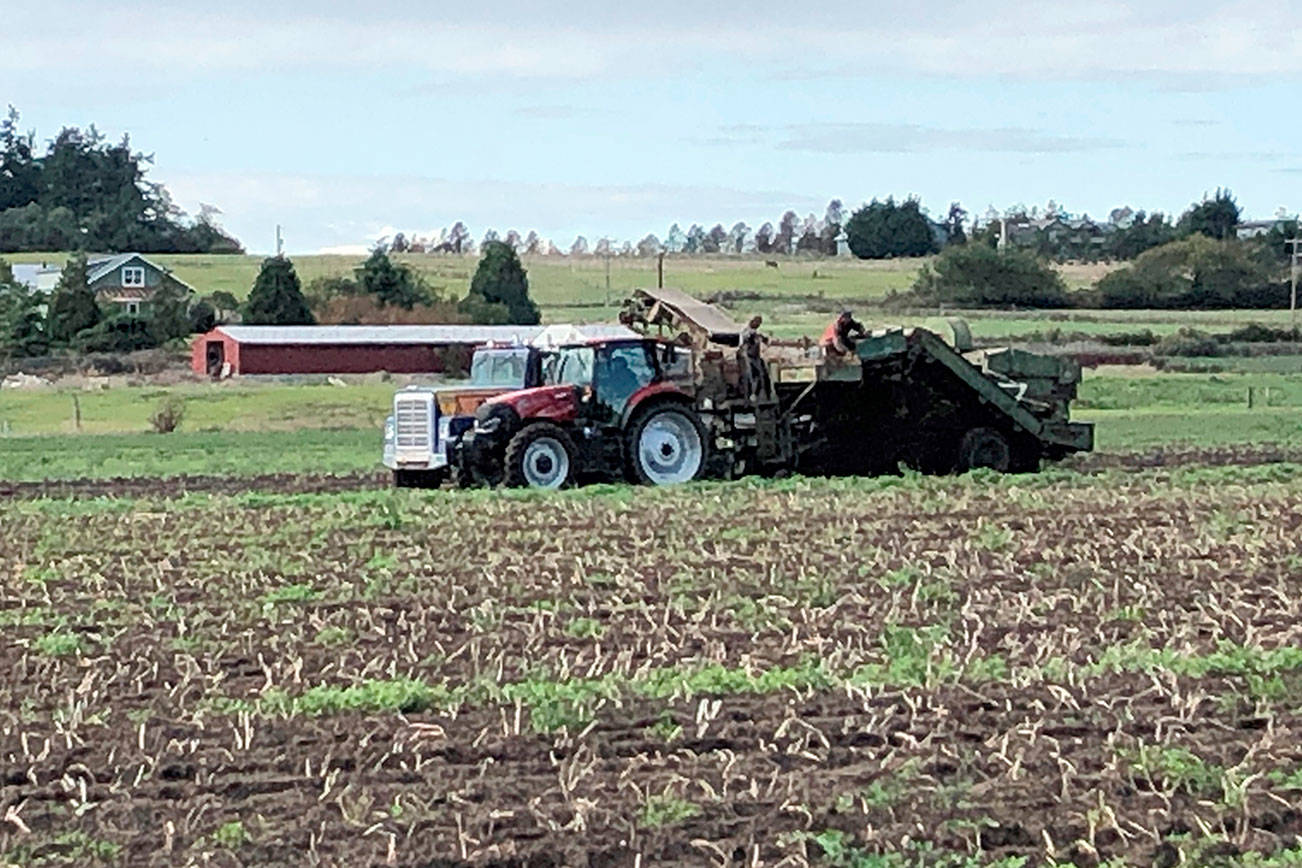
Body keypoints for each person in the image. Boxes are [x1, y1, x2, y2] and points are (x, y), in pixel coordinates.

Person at [737, 315, 770, 402]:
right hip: (747, 356)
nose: (758, 325)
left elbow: (765, 341)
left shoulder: (757, 332)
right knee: (750, 376)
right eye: (757, 322)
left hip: (756, 357)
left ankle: (758, 394)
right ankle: (750, 395)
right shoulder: (746, 331)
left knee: (761, 375)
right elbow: (744, 342)